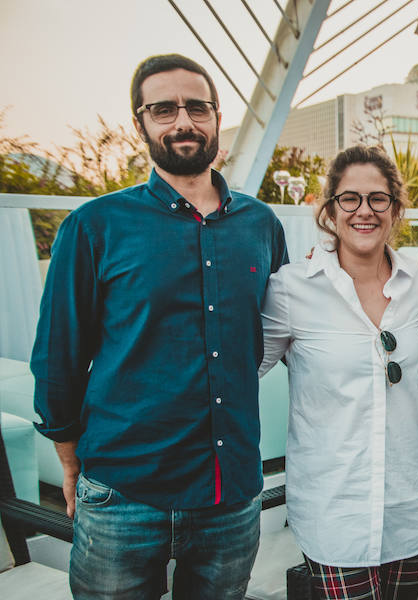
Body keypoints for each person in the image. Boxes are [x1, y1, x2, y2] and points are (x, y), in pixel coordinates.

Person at [30, 54, 288, 599]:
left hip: (232, 494)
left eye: (197, 107)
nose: (183, 121)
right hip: (123, 496)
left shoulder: (262, 225)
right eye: (163, 109)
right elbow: (59, 355)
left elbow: (288, 330)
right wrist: (69, 458)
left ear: (218, 116)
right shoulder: (94, 226)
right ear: (140, 122)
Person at [258, 145, 418, 600]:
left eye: (378, 199)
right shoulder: (290, 289)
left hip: (411, 505)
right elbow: (239, 374)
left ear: (396, 210)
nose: (364, 211)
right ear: (329, 209)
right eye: (350, 198)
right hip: (333, 510)